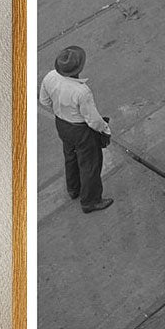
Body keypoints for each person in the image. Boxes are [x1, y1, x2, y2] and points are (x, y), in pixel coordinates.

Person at [37, 45, 114, 213]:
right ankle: (90, 201)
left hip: (62, 125)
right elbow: (92, 119)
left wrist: (61, 111)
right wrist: (105, 129)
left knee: (70, 157)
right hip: (81, 131)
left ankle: (73, 189)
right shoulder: (82, 91)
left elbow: (44, 101)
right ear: (78, 68)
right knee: (90, 164)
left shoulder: (50, 77)